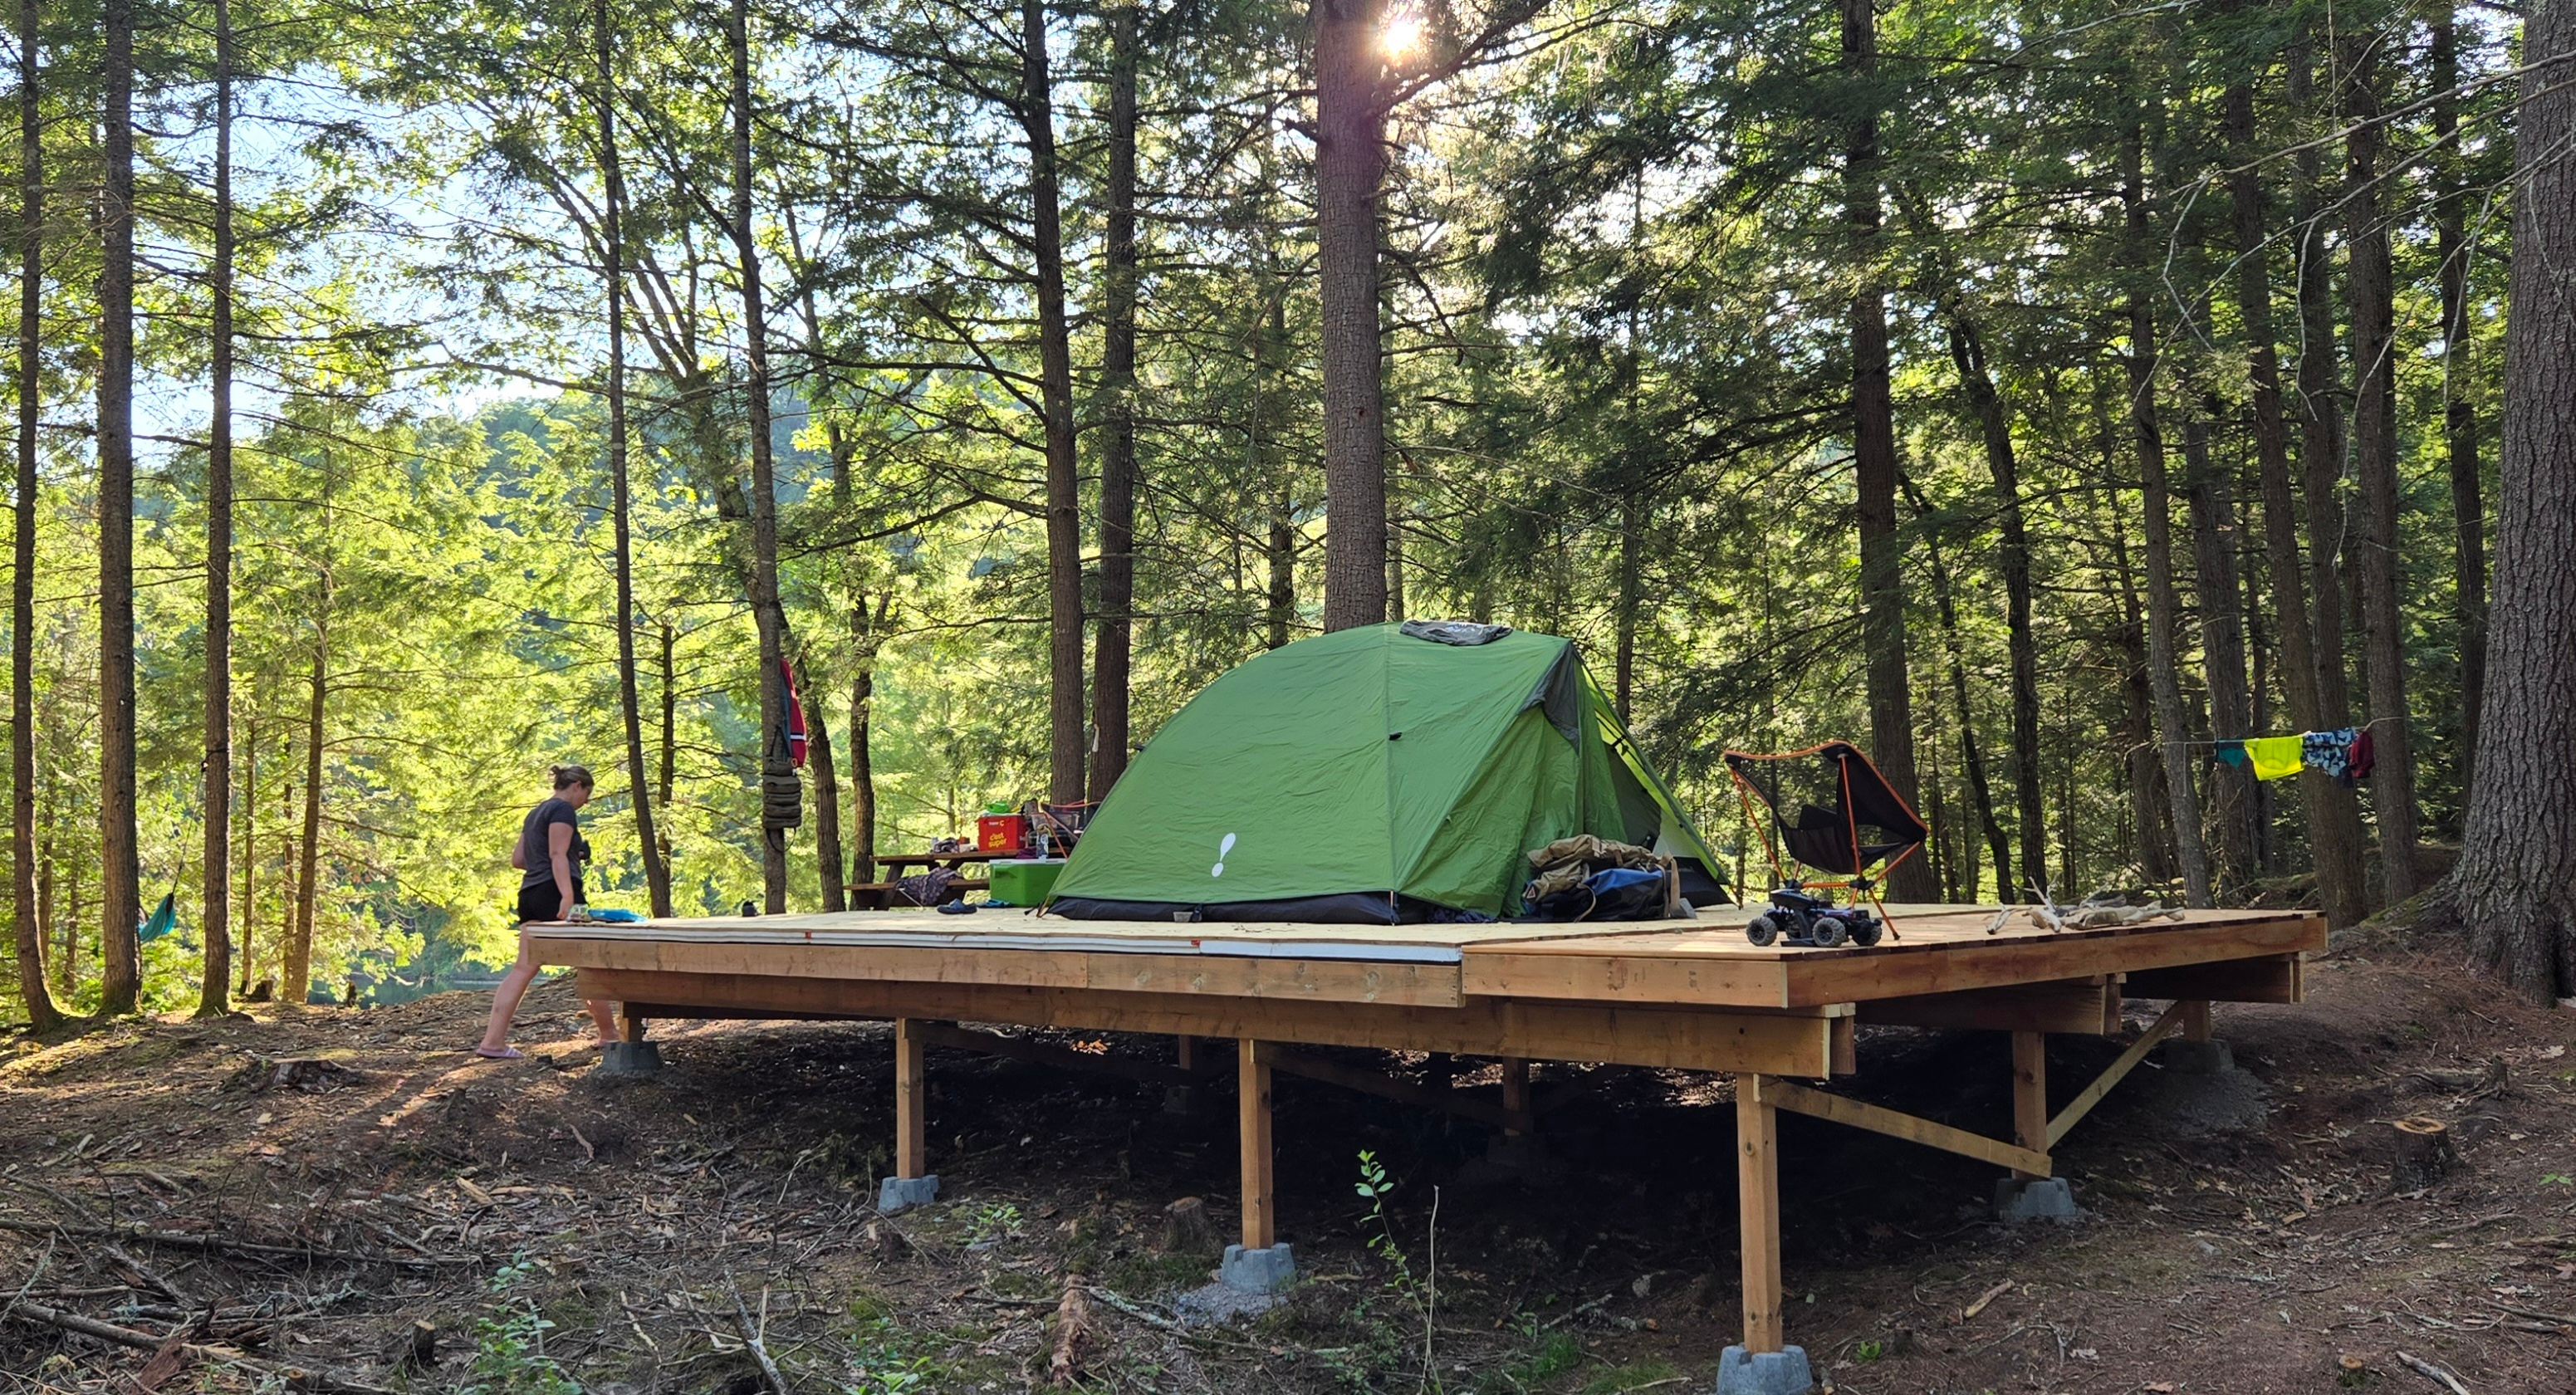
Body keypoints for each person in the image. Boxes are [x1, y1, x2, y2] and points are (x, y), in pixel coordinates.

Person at [476, 765, 621, 1060]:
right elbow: (556, 854)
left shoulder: (535, 813)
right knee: (589, 963)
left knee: (523, 969)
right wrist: (567, 895)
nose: (586, 801)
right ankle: (610, 1036)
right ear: (577, 786)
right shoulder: (563, 810)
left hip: (530, 894)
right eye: (587, 793)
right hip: (556, 894)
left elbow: (519, 860)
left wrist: (568, 855)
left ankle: (493, 1043)